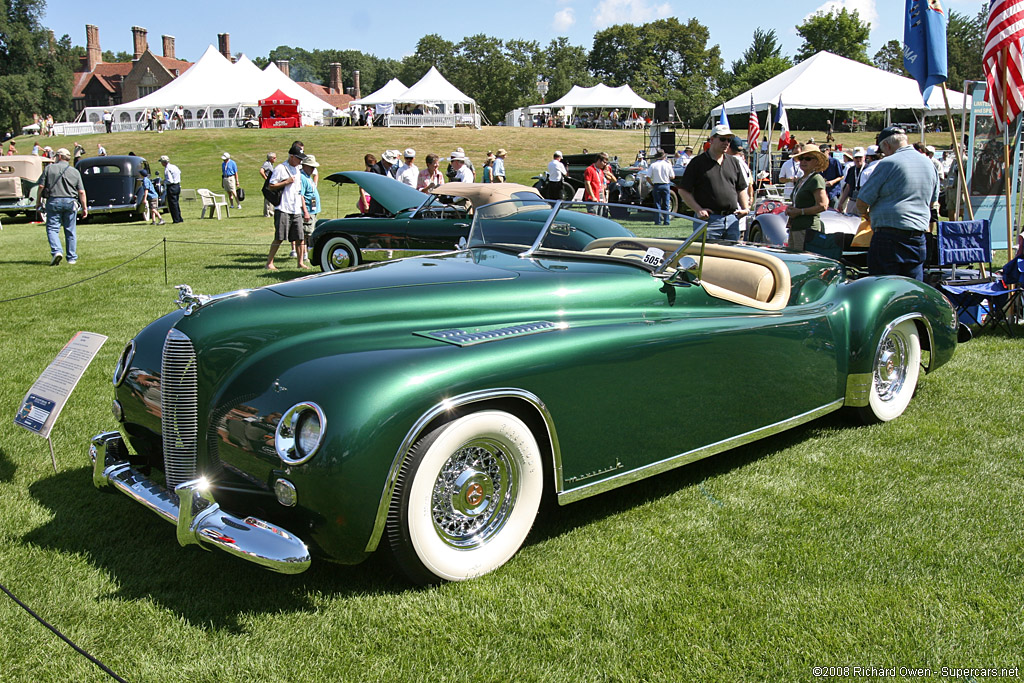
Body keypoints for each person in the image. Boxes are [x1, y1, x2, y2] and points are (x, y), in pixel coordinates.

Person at [857, 127, 939, 281]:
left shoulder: (888, 163)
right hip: (917, 235)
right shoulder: (929, 164)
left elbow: (862, 201)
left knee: (883, 288)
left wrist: (867, 215)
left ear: (886, 145)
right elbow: (933, 201)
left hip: (888, 236)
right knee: (912, 289)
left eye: (882, 150)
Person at [678, 124, 750, 241]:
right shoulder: (697, 163)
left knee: (732, 258)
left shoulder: (734, 162)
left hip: (732, 219)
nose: (726, 142)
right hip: (709, 221)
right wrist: (698, 209)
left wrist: (745, 208)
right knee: (708, 257)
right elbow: (683, 190)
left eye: (729, 140)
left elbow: (741, 188)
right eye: (722, 139)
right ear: (712, 140)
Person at [36, 147, 87, 265]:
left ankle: (57, 251)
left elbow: (41, 187)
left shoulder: (49, 169)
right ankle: (72, 258)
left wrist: (38, 202)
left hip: (54, 201)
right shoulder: (75, 171)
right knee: (70, 230)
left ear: (59, 157)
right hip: (71, 202)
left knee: (53, 228)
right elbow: (81, 192)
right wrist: (84, 208)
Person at [265, 143, 311, 270]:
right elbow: (271, 186)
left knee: (300, 237)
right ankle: (269, 263)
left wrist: (303, 209)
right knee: (279, 237)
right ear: (291, 156)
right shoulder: (280, 168)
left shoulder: (297, 169)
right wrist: (286, 182)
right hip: (283, 207)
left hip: (295, 208)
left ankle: (300, 262)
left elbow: (299, 191)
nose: (300, 161)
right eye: (298, 158)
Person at [783, 145, 829, 251]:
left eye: (808, 158)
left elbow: (823, 205)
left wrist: (800, 212)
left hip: (807, 229)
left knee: (801, 263)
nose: (803, 161)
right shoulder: (801, 180)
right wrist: (791, 209)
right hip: (795, 227)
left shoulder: (816, 179)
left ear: (816, 162)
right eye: (801, 158)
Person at [299, 155, 321, 267]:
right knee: (307, 235)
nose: (313, 169)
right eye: (311, 167)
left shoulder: (308, 177)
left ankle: (307, 255)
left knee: (310, 233)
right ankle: (305, 256)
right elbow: (301, 196)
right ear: (305, 166)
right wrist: (306, 212)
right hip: (307, 211)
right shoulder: (302, 178)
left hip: (313, 210)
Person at [646, 148, 675, 225]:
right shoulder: (668, 165)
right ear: (664, 156)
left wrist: (652, 184)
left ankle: (657, 221)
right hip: (665, 185)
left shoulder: (653, 165)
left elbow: (648, 177)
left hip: (656, 185)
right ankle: (666, 221)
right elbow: (672, 176)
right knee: (666, 204)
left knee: (657, 204)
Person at [836, 148, 866, 214]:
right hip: (852, 200)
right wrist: (841, 202)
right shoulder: (851, 169)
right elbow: (848, 186)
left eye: (860, 157)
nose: (858, 160)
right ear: (853, 158)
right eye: (856, 157)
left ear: (864, 157)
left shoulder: (868, 169)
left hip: (863, 202)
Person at [158, 155, 183, 223]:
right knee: (176, 203)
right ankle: (179, 218)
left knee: (172, 204)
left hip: (172, 187)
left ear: (164, 162)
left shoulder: (167, 169)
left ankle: (176, 219)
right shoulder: (174, 166)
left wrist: (163, 182)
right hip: (177, 185)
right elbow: (179, 172)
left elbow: (170, 181)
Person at [260, 152, 277, 217]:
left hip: (271, 182)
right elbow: (261, 171)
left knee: (271, 196)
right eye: (274, 158)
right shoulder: (267, 164)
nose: (275, 159)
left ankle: (271, 212)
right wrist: (266, 178)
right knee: (268, 197)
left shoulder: (271, 164)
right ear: (270, 158)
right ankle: (267, 213)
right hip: (268, 183)